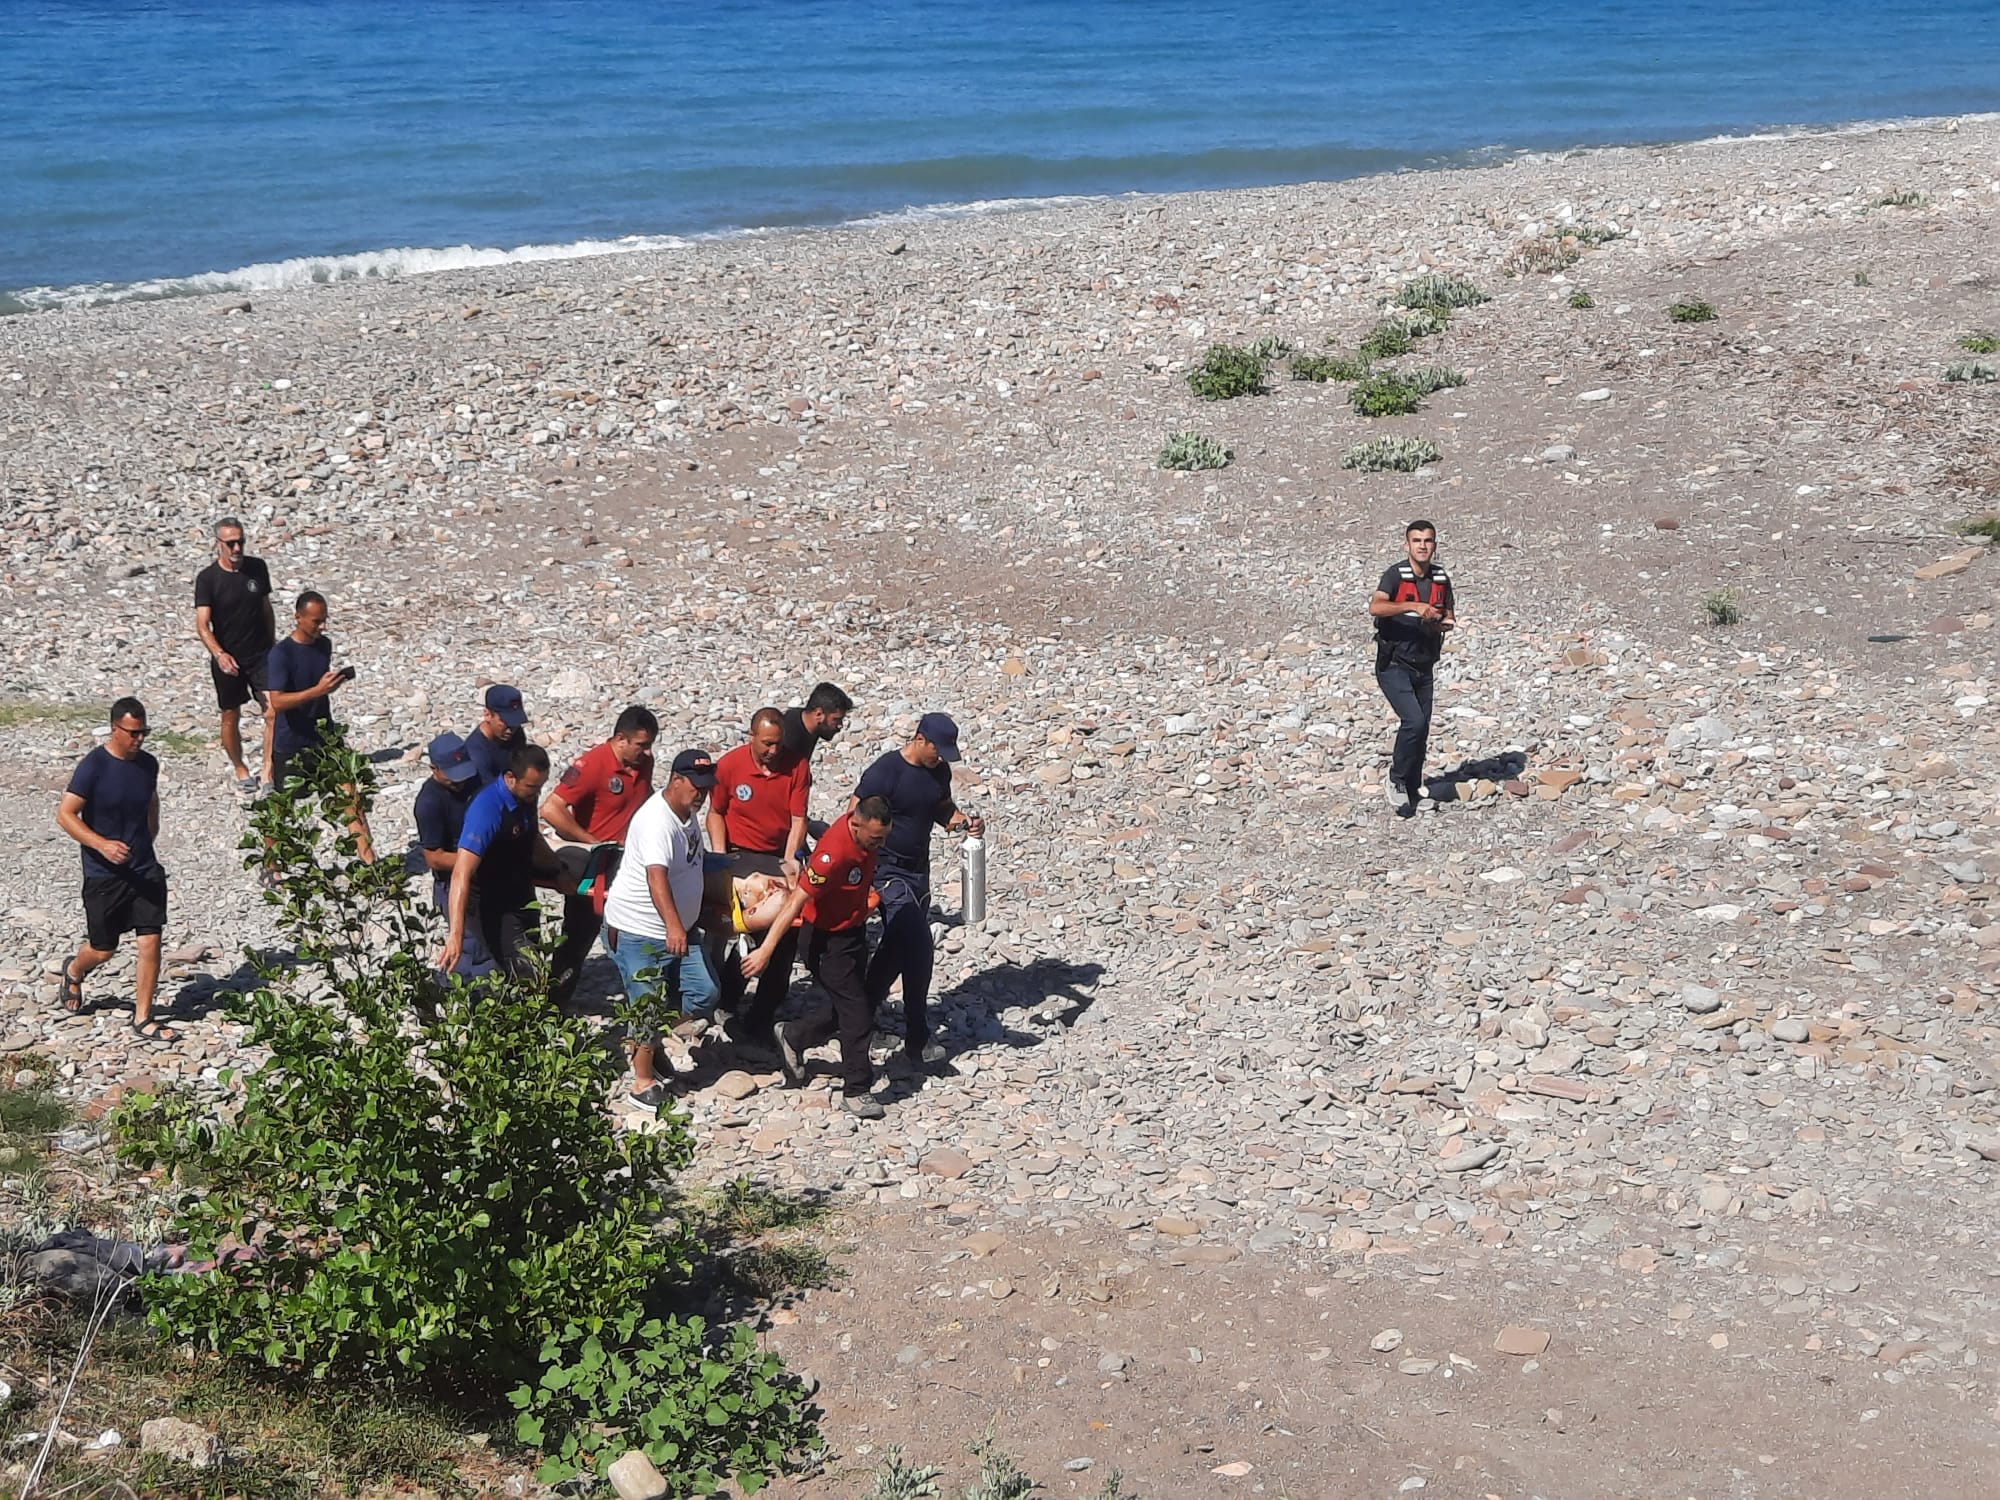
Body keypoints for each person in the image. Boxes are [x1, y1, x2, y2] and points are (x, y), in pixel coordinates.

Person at [751, 797, 894, 1119]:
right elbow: (795, 903)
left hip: (852, 932)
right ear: (856, 825)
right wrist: (766, 949)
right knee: (857, 1015)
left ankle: (793, 1035)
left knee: (852, 1006)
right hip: (824, 942)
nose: (880, 846)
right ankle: (857, 1090)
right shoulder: (831, 857)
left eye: (884, 838)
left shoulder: (863, 830)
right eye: (875, 840)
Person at [853, 712, 982, 1067]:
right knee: (920, 944)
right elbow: (854, 817)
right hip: (886, 870)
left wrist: (963, 823)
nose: (940, 758)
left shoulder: (938, 772)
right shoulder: (886, 771)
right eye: (936, 750)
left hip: (919, 872)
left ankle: (857, 1014)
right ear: (919, 738)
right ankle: (917, 1035)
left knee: (898, 946)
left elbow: (941, 809)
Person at [601, 750, 721, 1111]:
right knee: (647, 1005)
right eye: (696, 787)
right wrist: (674, 926)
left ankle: (645, 1044)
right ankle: (641, 1081)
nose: (701, 794)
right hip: (639, 931)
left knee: (705, 992)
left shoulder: (687, 815)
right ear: (677, 781)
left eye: (706, 788)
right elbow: (657, 877)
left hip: (680, 929)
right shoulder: (656, 821)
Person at [56, 698, 175, 1041]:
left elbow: (151, 800)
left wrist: (150, 835)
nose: (139, 740)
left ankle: (142, 1017)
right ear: (115, 729)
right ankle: (75, 969)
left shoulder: (148, 764)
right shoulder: (94, 766)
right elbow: (64, 815)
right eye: (133, 733)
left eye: (144, 733)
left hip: (144, 868)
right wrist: (101, 844)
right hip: (103, 874)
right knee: (104, 949)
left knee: (151, 940)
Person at [704, 707, 812, 1055]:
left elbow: (798, 819)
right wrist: (720, 858)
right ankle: (728, 996)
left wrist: (791, 859)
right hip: (738, 853)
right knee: (749, 926)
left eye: (778, 744)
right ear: (752, 736)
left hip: (775, 855)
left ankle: (762, 1015)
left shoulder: (797, 766)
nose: (773, 751)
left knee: (787, 930)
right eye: (767, 744)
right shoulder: (731, 766)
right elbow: (716, 813)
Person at [539, 706, 658, 1009]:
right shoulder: (592, 765)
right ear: (621, 739)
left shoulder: (644, 764)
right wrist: (592, 842)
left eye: (649, 746)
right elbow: (551, 809)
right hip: (596, 864)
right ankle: (554, 1004)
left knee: (644, 928)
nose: (645, 753)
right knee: (578, 938)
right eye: (641, 745)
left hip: (630, 860)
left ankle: (649, 1000)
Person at [265, 590, 376, 862]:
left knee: (351, 797)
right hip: (291, 742)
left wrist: (331, 685)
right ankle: (270, 863)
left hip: (325, 737)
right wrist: (317, 691)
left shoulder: (323, 645)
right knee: (282, 808)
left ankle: (371, 864)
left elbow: (317, 686)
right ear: (298, 617)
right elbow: (276, 702)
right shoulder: (281, 654)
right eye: (316, 621)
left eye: (324, 620)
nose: (322, 627)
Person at [439, 742, 558, 982]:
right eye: (532, 787)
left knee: (532, 960)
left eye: (541, 786)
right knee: (525, 970)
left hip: (522, 895)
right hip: (492, 904)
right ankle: (438, 990)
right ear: (511, 778)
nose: (537, 794)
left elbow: (531, 836)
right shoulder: (488, 808)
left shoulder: (525, 797)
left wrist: (560, 870)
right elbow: (461, 872)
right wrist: (455, 934)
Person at [1368, 519, 1456, 817]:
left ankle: (1413, 788)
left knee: (1422, 730)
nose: (1422, 546)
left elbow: (1449, 614)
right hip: (1393, 663)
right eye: (1417, 540)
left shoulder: (1441, 579)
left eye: (1428, 540)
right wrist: (1413, 607)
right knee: (1413, 722)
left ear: (1435, 545)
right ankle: (1395, 780)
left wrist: (1442, 622)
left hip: (1425, 664)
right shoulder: (1395, 576)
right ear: (1407, 544)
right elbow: (1376, 607)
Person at [192, 517, 276, 794]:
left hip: (260, 653)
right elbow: (202, 624)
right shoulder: (208, 579)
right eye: (230, 543)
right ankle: (240, 767)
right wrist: (219, 654)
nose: (237, 548)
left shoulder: (257, 568)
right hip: (228, 656)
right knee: (230, 715)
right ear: (219, 545)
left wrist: (273, 643)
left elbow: (265, 607)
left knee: (273, 710)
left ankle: (268, 771)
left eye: (240, 541)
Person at [411, 731, 491, 968]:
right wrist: (474, 861)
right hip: (453, 883)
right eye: (452, 776)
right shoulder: (429, 803)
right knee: (469, 949)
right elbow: (434, 858)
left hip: (488, 877)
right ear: (434, 768)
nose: (460, 781)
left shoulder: (474, 779)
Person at [465, 684, 528, 787]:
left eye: (515, 722)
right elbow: (489, 791)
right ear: (487, 715)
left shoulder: (515, 733)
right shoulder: (475, 752)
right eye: (506, 722)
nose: (511, 729)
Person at [780, 681, 853, 766]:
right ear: (818, 714)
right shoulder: (787, 739)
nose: (840, 725)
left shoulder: (808, 724)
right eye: (836, 719)